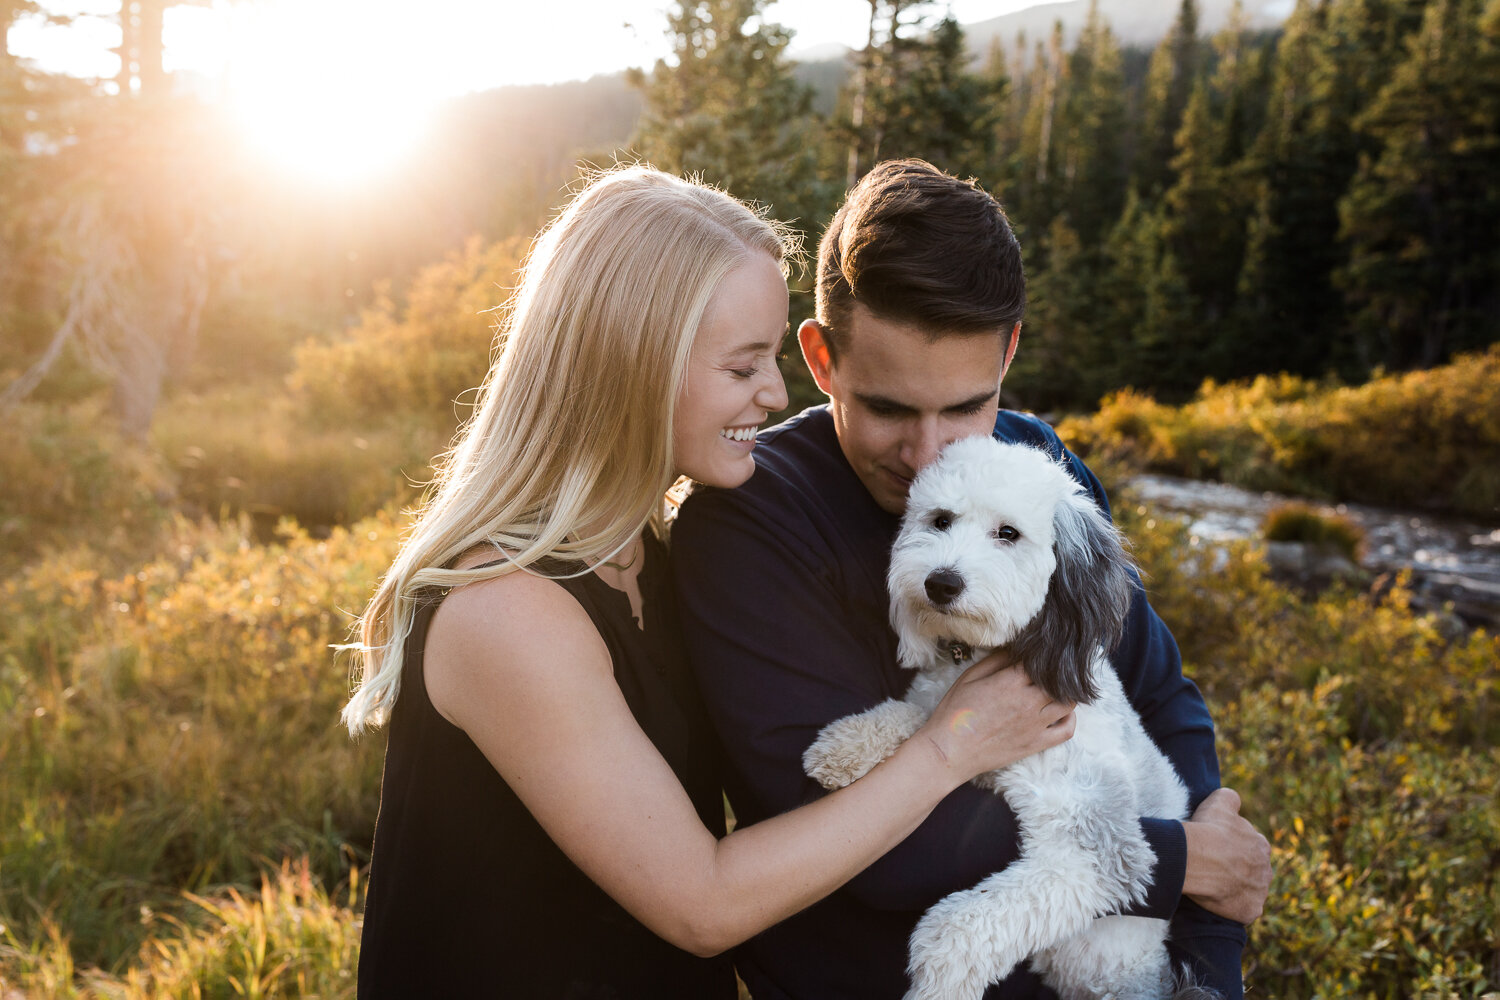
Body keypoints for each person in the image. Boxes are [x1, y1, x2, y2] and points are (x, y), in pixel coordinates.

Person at [340, 165, 1080, 998]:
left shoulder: (641, 555)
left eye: (771, 359)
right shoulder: (507, 609)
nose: (775, 393)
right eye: (742, 367)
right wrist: (951, 745)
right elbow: (702, 902)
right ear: (634, 366)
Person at [671, 159, 1273, 1000]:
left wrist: (1206, 959)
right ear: (820, 356)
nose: (928, 455)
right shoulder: (749, 525)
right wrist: (1175, 861)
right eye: (886, 408)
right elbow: (871, 849)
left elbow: (1160, 695)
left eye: (964, 406)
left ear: (1010, 350)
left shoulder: (1035, 467)